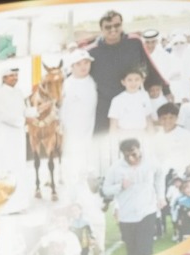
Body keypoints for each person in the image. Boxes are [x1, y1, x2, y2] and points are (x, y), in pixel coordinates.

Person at [89, 9, 165, 133]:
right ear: (101, 29)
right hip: (104, 106)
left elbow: (149, 65)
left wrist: (164, 88)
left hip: (133, 99)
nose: (113, 29)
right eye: (108, 27)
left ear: (122, 25)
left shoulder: (134, 43)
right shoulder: (92, 51)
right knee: (105, 142)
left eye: (116, 25)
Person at [102, 137, 165, 255]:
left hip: (147, 211)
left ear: (140, 150)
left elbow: (160, 176)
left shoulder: (151, 162)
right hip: (126, 215)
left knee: (145, 250)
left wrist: (161, 196)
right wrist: (120, 186)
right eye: (127, 156)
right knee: (132, 252)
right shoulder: (116, 168)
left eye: (134, 154)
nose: (131, 159)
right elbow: (106, 190)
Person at [0, 63, 31, 211]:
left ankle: (19, 204)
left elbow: (24, 111)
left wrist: (36, 112)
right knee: (4, 168)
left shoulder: (19, 92)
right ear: (3, 78)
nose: (14, 78)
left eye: (16, 75)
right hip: (3, 138)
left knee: (18, 168)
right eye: (11, 76)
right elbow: (3, 115)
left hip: (17, 138)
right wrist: (24, 120)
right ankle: (4, 207)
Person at [59, 48, 100, 186]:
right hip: (71, 128)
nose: (83, 67)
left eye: (86, 63)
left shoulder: (93, 82)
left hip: (89, 126)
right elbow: (61, 108)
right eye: (79, 64)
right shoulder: (66, 84)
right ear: (72, 66)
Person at [107, 67, 157, 141]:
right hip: (124, 136)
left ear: (142, 81)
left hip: (142, 134)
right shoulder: (117, 100)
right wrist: (113, 141)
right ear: (123, 82)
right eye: (129, 80)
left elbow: (148, 120)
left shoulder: (145, 96)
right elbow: (113, 125)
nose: (133, 83)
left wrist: (152, 138)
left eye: (137, 79)